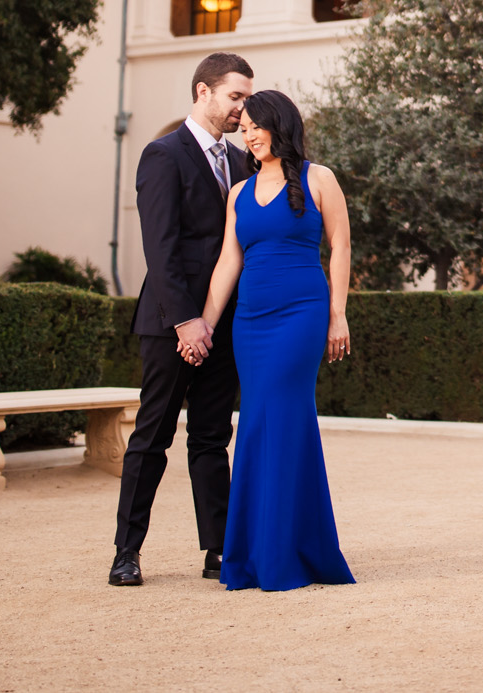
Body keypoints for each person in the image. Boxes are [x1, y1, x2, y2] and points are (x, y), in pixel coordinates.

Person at [191, 88, 356, 591]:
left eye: (254, 126)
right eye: (242, 130)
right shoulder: (239, 193)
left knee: (284, 418)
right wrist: (205, 324)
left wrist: (338, 316)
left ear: (277, 123)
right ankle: (256, 551)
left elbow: (342, 245)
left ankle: (287, 552)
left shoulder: (319, 178)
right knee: (258, 424)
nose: (247, 135)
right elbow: (228, 263)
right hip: (252, 323)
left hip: (302, 313)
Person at [108, 52, 254, 587]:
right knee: (152, 437)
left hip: (227, 325)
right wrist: (187, 322)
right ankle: (127, 551)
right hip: (172, 323)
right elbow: (160, 250)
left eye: (246, 98)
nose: (243, 107)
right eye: (235, 96)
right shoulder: (162, 154)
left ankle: (219, 549)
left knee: (213, 438)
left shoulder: (242, 164)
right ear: (203, 92)